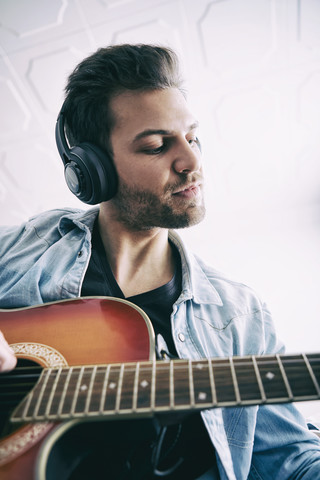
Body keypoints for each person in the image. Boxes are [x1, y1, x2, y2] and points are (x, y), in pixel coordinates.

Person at [0, 44, 319, 480]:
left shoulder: (240, 316)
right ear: (93, 170)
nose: (192, 162)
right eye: (155, 145)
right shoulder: (29, 245)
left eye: (192, 137)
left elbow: (291, 460)